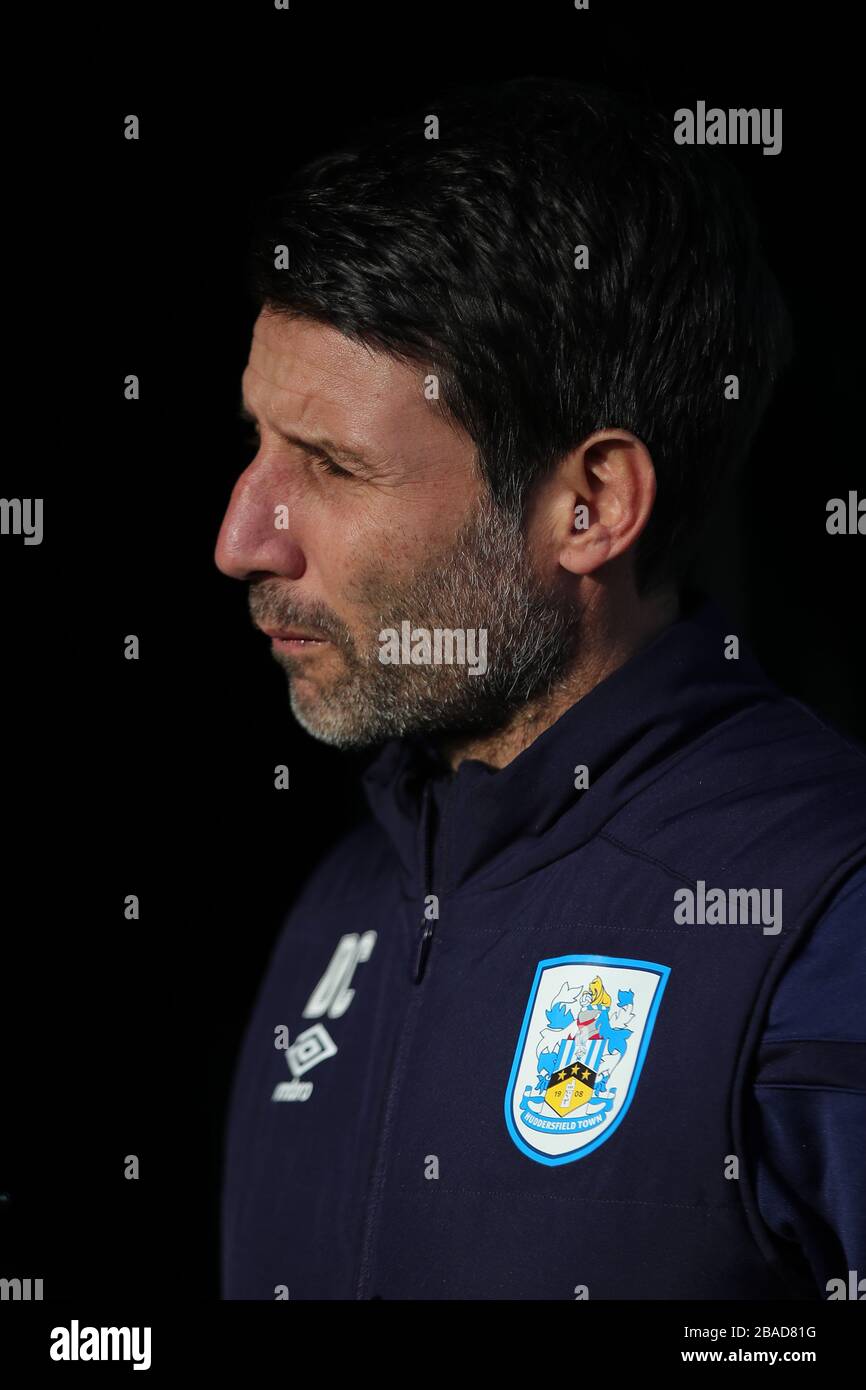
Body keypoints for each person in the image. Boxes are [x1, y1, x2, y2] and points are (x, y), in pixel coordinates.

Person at [214, 77, 866, 1300]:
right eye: (255, 443)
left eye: (332, 467)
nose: (243, 536)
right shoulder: (347, 895)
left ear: (591, 506)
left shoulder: (826, 916)